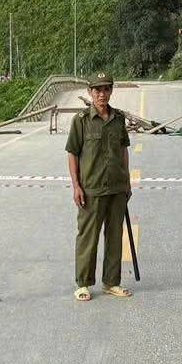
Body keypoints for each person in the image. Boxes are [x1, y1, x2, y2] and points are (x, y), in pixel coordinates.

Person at [66, 72, 132, 301]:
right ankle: (83, 284)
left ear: (111, 91)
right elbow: (72, 153)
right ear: (90, 92)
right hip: (91, 189)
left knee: (115, 236)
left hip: (116, 188)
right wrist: (76, 185)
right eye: (97, 90)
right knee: (88, 237)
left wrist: (127, 182)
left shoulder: (119, 119)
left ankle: (111, 282)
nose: (102, 94)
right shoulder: (81, 120)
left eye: (106, 89)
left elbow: (123, 149)